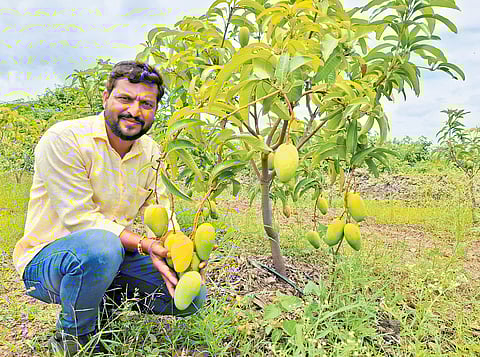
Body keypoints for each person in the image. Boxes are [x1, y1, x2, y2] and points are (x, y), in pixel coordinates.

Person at [12, 61, 206, 356]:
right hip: (48, 264)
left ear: (154, 110)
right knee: (103, 247)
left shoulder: (151, 152)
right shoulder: (65, 139)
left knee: (190, 296)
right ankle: (74, 338)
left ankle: (97, 304)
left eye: (146, 103)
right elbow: (80, 220)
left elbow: (162, 212)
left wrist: (181, 255)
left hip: (108, 257)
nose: (134, 111)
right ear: (106, 98)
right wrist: (146, 245)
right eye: (125, 99)